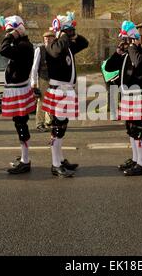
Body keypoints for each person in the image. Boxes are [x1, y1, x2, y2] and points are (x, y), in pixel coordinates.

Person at [41, 11, 88, 178]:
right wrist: (61, 33)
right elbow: (57, 50)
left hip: (66, 91)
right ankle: (55, 164)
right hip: (58, 91)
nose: (69, 34)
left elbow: (84, 42)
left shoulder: (66, 45)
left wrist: (73, 33)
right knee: (57, 128)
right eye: (67, 31)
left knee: (63, 127)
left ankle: (60, 160)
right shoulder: (53, 46)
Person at [105, 21, 142, 176]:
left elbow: (138, 63)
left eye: (126, 40)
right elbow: (109, 67)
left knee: (138, 131)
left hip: (140, 97)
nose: (124, 43)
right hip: (128, 97)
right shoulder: (126, 55)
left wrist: (133, 46)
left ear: (133, 40)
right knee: (131, 130)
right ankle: (135, 159)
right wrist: (118, 52)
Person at [0, 15, 37, 175]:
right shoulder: (22, 44)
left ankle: (25, 160)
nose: (8, 34)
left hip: (19, 89)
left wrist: (9, 35)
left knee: (21, 125)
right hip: (17, 88)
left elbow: (3, 50)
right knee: (20, 124)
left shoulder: (24, 45)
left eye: (11, 31)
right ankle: (24, 157)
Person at [30, 30, 54, 132]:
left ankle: (50, 121)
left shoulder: (56, 49)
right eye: (46, 38)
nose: (48, 39)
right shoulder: (40, 50)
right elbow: (34, 67)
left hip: (54, 79)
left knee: (53, 101)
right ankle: (40, 123)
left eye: (50, 38)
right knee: (42, 101)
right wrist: (34, 82)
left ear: (54, 39)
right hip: (43, 78)